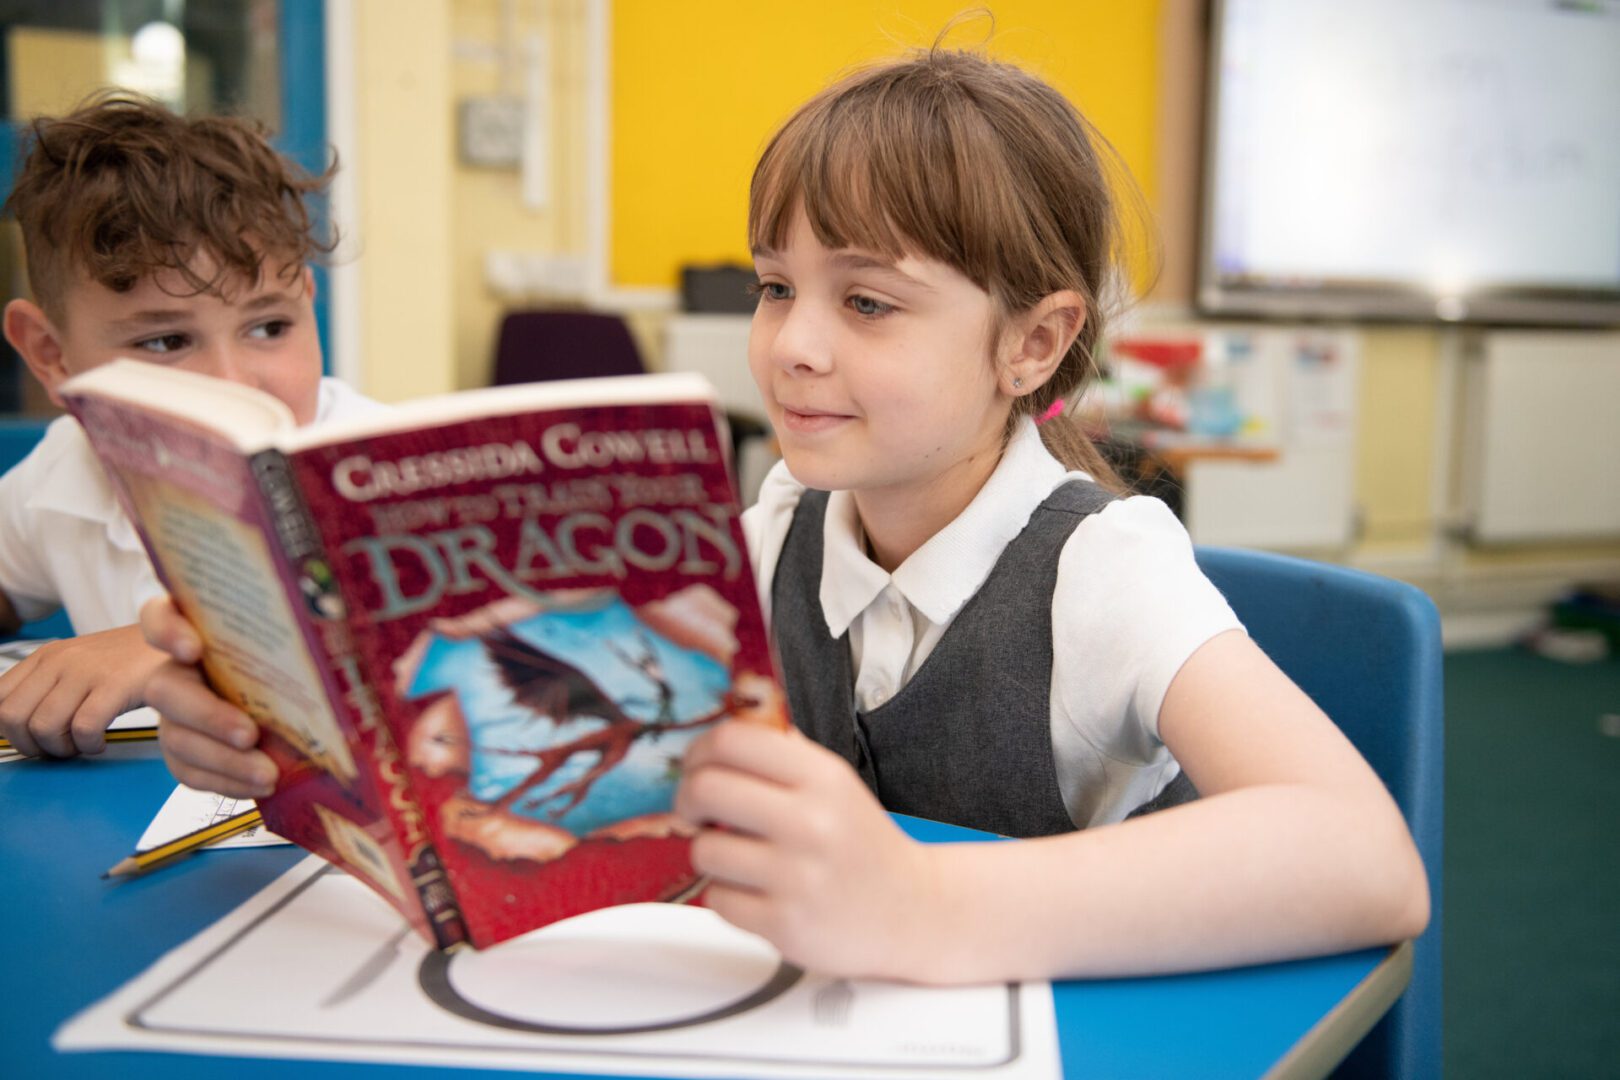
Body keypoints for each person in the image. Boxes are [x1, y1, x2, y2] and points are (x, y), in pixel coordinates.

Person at [145, 43, 1428, 984]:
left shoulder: (1104, 566)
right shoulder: (773, 533)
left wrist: (921, 899)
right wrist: (291, 731)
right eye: (774, 287)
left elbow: (1367, 858)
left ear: (1032, 343)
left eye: (865, 302)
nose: (792, 345)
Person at [0, 93, 382, 759]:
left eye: (270, 326)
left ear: (307, 303)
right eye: (165, 342)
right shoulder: (70, 469)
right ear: (50, 355)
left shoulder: (374, 468)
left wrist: (170, 650)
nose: (232, 382)